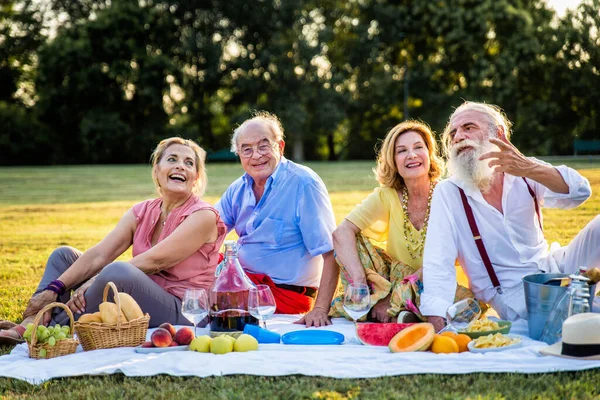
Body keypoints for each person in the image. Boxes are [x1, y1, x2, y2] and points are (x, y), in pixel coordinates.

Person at [0, 137, 226, 344]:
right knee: (64, 256)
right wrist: (54, 288)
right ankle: (32, 320)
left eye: (189, 163)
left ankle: (43, 330)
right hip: (141, 298)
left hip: (184, 310)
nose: (180, 166)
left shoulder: (203, 216)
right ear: (156, 170)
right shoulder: (143, 210)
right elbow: (100, 254)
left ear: (195, 177)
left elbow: (157, 260)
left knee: (117, 273)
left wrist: (97, 279)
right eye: (172, 159)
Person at [420, 101, 598, 332]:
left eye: (469, 127)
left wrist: (528, 167)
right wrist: (436, 320)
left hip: (557, 267)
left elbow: (579, 192)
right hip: (515, 296)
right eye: (453, 132)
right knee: (583, 321)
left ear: (499, 133)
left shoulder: (522, 170)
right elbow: (438, 260)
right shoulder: (449, 192)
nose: (458, 137)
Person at [328, 120, 479, 323]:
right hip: (392, 282)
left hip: (433, 283)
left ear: (429, 155)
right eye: (402, 151)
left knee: (467, 309)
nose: (412, 155)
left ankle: (398, 312)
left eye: (418, 147)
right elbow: (342, 233)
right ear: (393, 161)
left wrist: (396, 295)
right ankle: (396, 311)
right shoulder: (387, 195)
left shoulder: (448, 194)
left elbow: (442, 263)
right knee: (352, 242)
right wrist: (360, 283)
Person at [215, 111, 337, 327]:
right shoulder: (238, 188)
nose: (256, 155)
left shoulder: (303, 184)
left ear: (280, 147)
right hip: (241, 282)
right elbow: (207, 231)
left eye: (263, 146)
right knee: (192, 264)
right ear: (239, 155)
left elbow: (331, 253)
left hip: (283, 295)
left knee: (189, 297)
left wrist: (319, 310)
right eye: (247, 149)